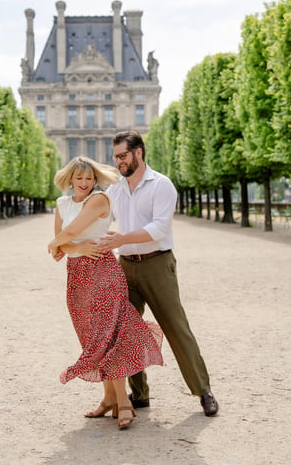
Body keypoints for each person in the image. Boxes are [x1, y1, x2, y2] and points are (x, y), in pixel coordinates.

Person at [98, 131, 219, 417]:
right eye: (116, 157)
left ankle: (204, 391)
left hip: (157, 265)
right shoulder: (115, 189)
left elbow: (158, 229)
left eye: (123, 155)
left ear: (138, 153)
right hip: (125, 265)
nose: (119, 162)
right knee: (124, 331)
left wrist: (121, 238)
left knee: (177, 328)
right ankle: (139, 395)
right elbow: (101, 221)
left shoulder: (161, 185)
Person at [47, 156, 163, 430]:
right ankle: (109, 397)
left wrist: (57, 243)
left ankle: (123, 401)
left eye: (89, 178)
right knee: (91, 337)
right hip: (77, 277)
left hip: (102, 272)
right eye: (80, 178)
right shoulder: (62, 205)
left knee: (108, 335)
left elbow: (70, 233)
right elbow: (58, 254)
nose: (85, 183)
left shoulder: (98, 200)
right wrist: (76, 248)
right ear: (70, 180)